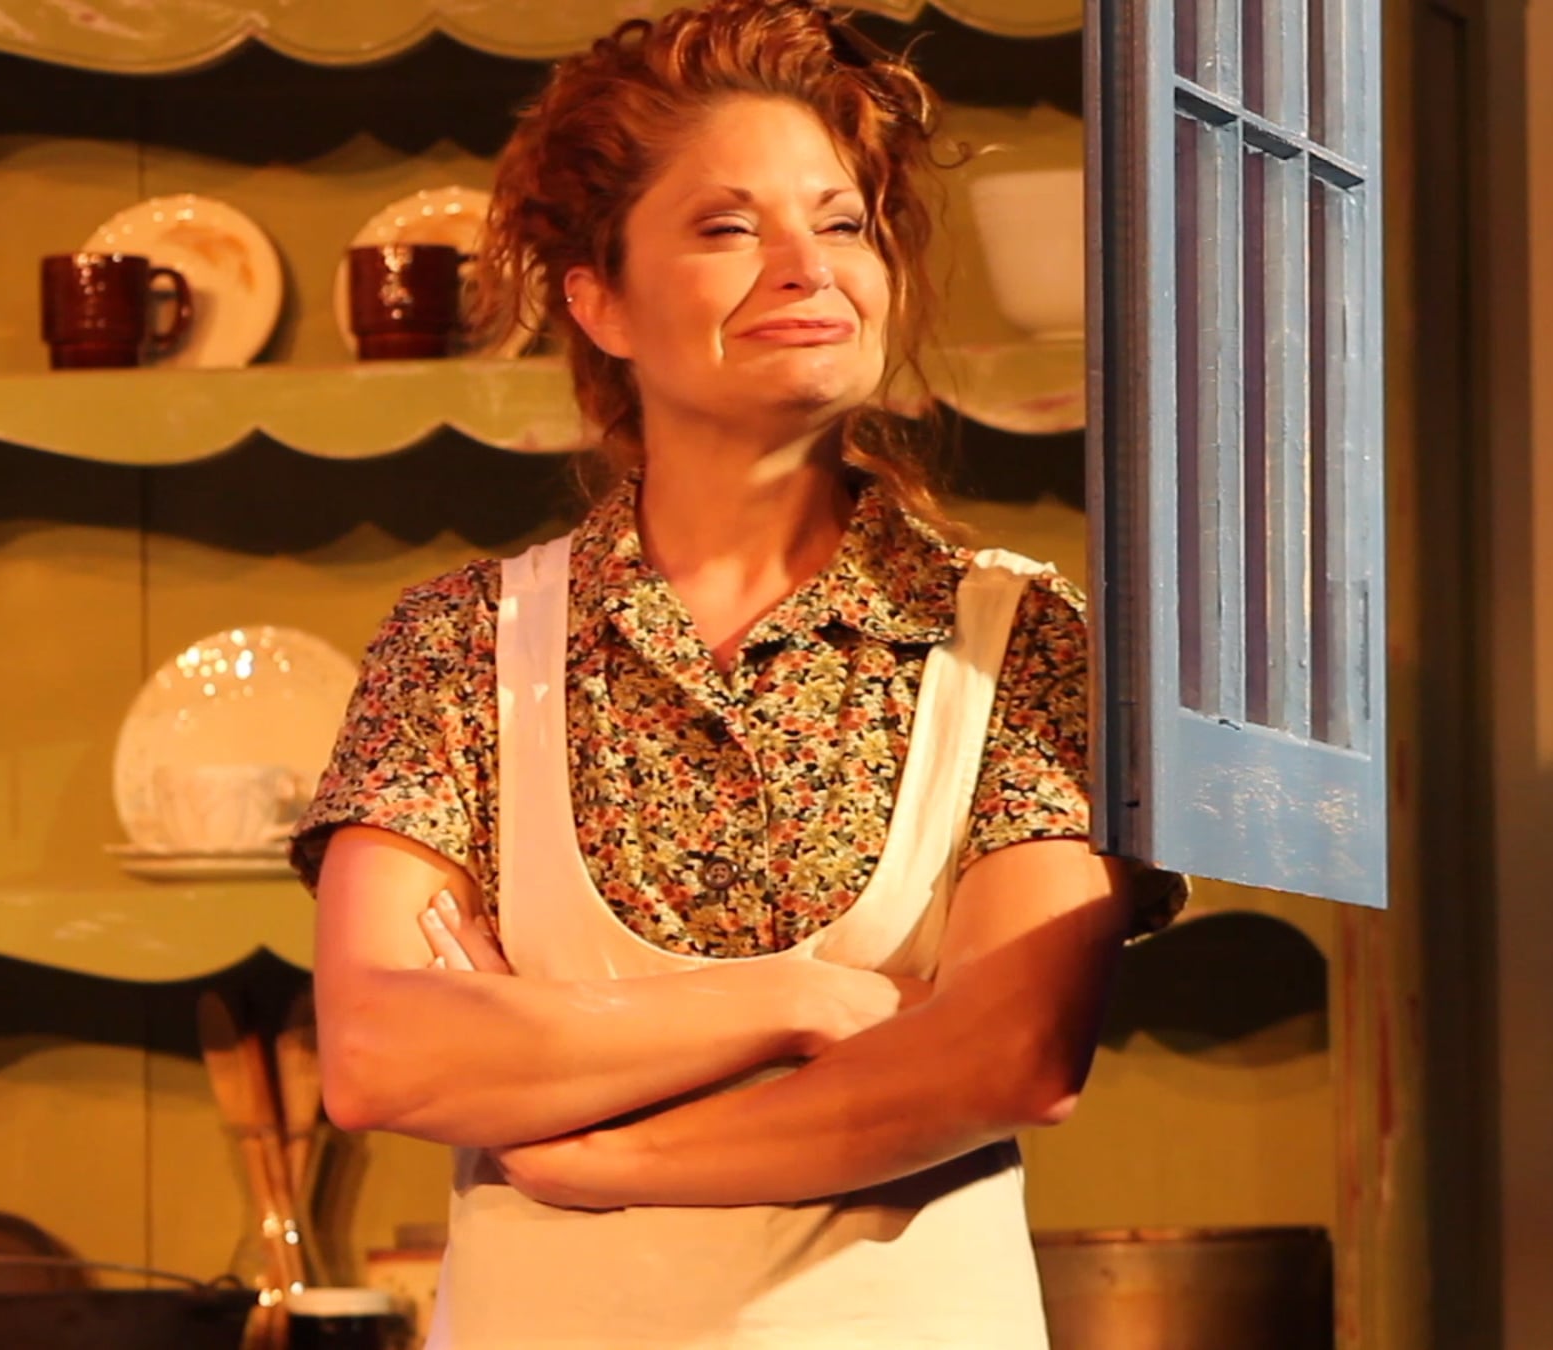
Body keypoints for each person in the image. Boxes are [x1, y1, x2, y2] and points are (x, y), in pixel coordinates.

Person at [291, 2, 1181, 1344]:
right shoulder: (461, 647)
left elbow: (1011, 1057)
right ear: (598, 299)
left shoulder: (1020, 641)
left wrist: (595, 1145)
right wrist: (808, 1002)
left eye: (843, 224)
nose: (808, 269)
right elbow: (382, 1054)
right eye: (727, 228)